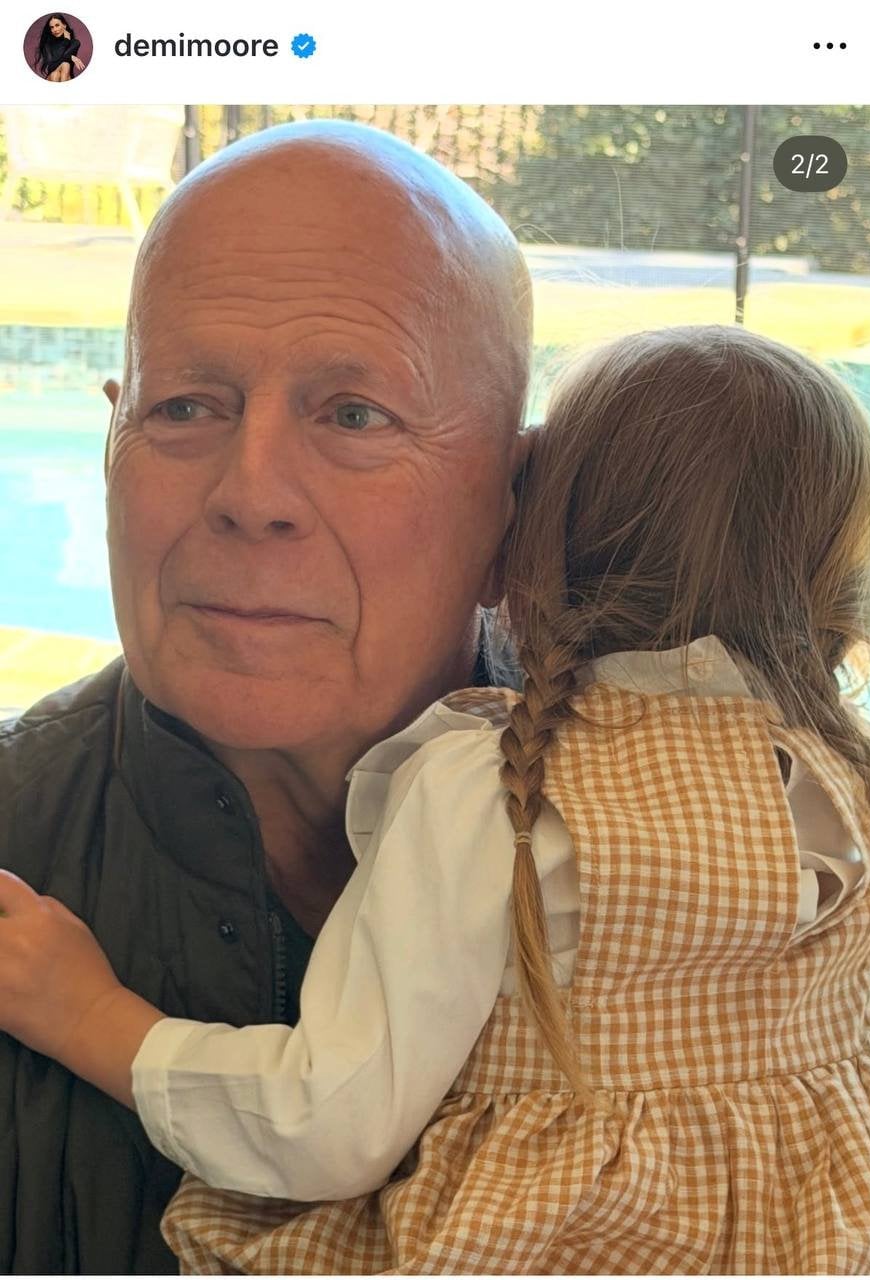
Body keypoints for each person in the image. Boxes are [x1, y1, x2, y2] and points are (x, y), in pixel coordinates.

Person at [2, 325, 870, 1274]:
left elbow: (331, 1123)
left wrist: (89, 1016)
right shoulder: (848, 789)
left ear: (517, 539)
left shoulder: (496, 792)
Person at [0, 121, 533, 1274]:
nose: (252, 493)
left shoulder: (737, 881)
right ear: (110, 444)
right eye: (186, 406)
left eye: (353, 414)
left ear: (512, 510)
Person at [33, 13, 85, 81]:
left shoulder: (75, 43)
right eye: (52, 27)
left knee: (65, 65)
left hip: (67, 77)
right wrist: (70, 56)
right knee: (56, 73)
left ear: (64, 25)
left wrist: (66, 42)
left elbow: (59, 57)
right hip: (52, 77)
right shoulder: (48, 44)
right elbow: (51, 66)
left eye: (57, 25)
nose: (54, 29)